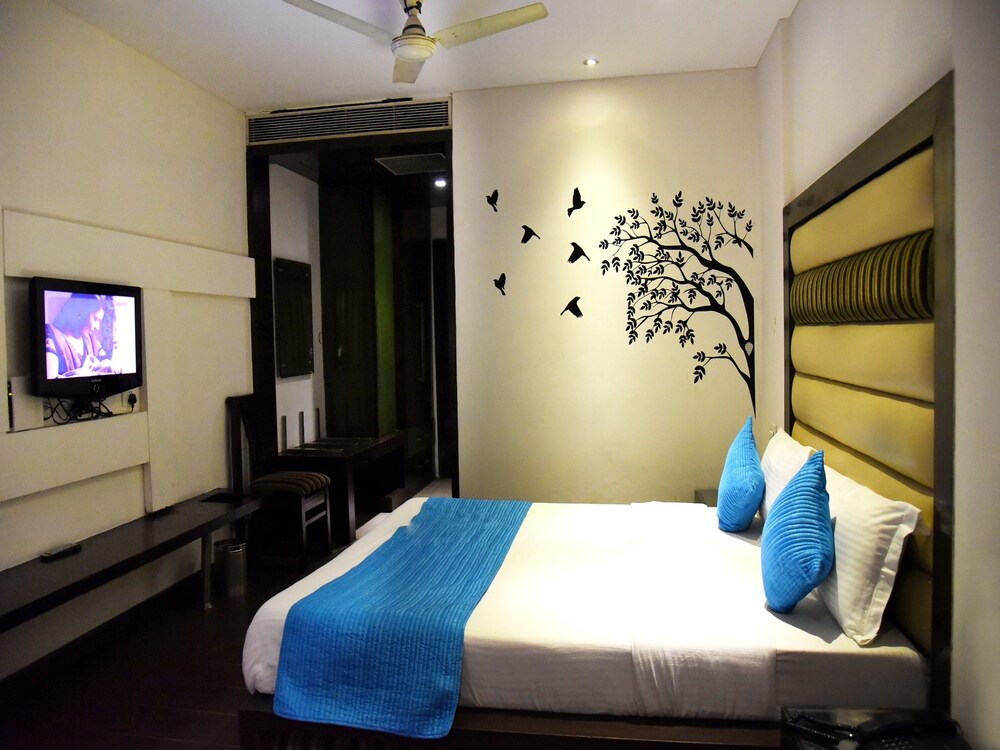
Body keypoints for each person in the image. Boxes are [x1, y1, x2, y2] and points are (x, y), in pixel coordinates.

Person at [44, 293, 118, 378]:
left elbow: (107, 364)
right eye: (95, 319)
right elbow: (50, 378)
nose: (97, 327)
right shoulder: (51, 334)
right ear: (81, 313)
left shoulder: (90, 339)